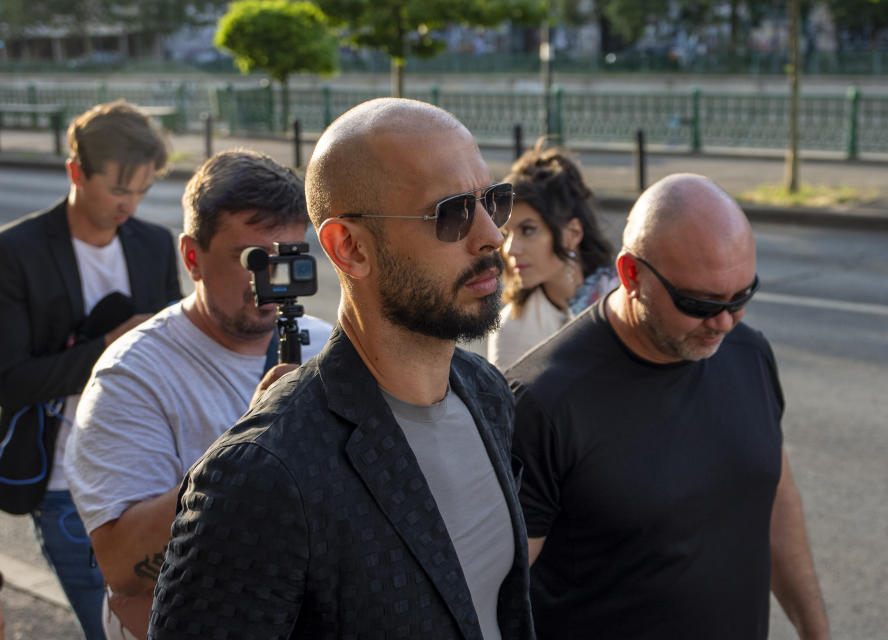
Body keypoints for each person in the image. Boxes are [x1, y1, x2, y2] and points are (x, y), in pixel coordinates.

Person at [148, 98, 534, 640]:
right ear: (349, 247)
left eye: (493, 201)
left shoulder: (486, 392)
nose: (492, 235)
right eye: (451, 213)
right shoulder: (262, 474)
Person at [508, 173, 830, 639]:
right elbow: (497, 594)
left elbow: (775, 499)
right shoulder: (542, 402)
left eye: (741, 296)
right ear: (631, 274)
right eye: (698, 301)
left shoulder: (749, 354)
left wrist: (816, 632)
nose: (723, 322)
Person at [65, 149, 332, 640]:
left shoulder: (328, 346)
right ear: (193, 257)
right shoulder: (132, 375)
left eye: (286, 257)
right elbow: (122, 567)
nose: (267, 280)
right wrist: (249, 446)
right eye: (251, 259)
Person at [0, 100, 180, 640]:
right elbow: (9, 379)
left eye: (143, 191)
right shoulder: (15, 251)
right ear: (76, 171)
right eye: (119, 189)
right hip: (64, 483)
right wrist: (110, 347)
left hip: (154, 475)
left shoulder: (152, 243)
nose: (131, 203)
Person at [487, 141, 617, 370]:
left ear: (573, 233)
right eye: (506, 234)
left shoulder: (621, 300)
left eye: (528, 230)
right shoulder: (512, 328)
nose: (509, 249)